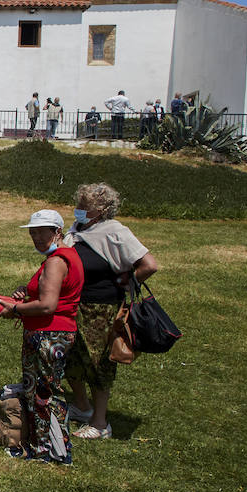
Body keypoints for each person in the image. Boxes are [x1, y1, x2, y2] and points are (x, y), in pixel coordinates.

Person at [63, 184, 160, 439]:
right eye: (80, 204)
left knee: (98, 362)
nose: (80, 209)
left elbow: (149, 265)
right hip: (74, 304)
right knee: (71, 357)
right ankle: (82, 407)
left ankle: (100, 422)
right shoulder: (78, 229)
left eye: (86, 206)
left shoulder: (115, 231)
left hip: (101, 309)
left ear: (102, 209)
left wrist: (127, 281)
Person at [0, 209, 82, 464]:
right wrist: (27, 294)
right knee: (46, 391)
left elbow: (48, 305)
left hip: (48, 335)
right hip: (55, 332)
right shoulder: (65, 256)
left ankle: (48, 450)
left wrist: (16, 309)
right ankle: (50, 446)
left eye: (40, 232)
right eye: (32, 232)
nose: (35, 237)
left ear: (57, 232)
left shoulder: (56, 261)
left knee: (44, 394)